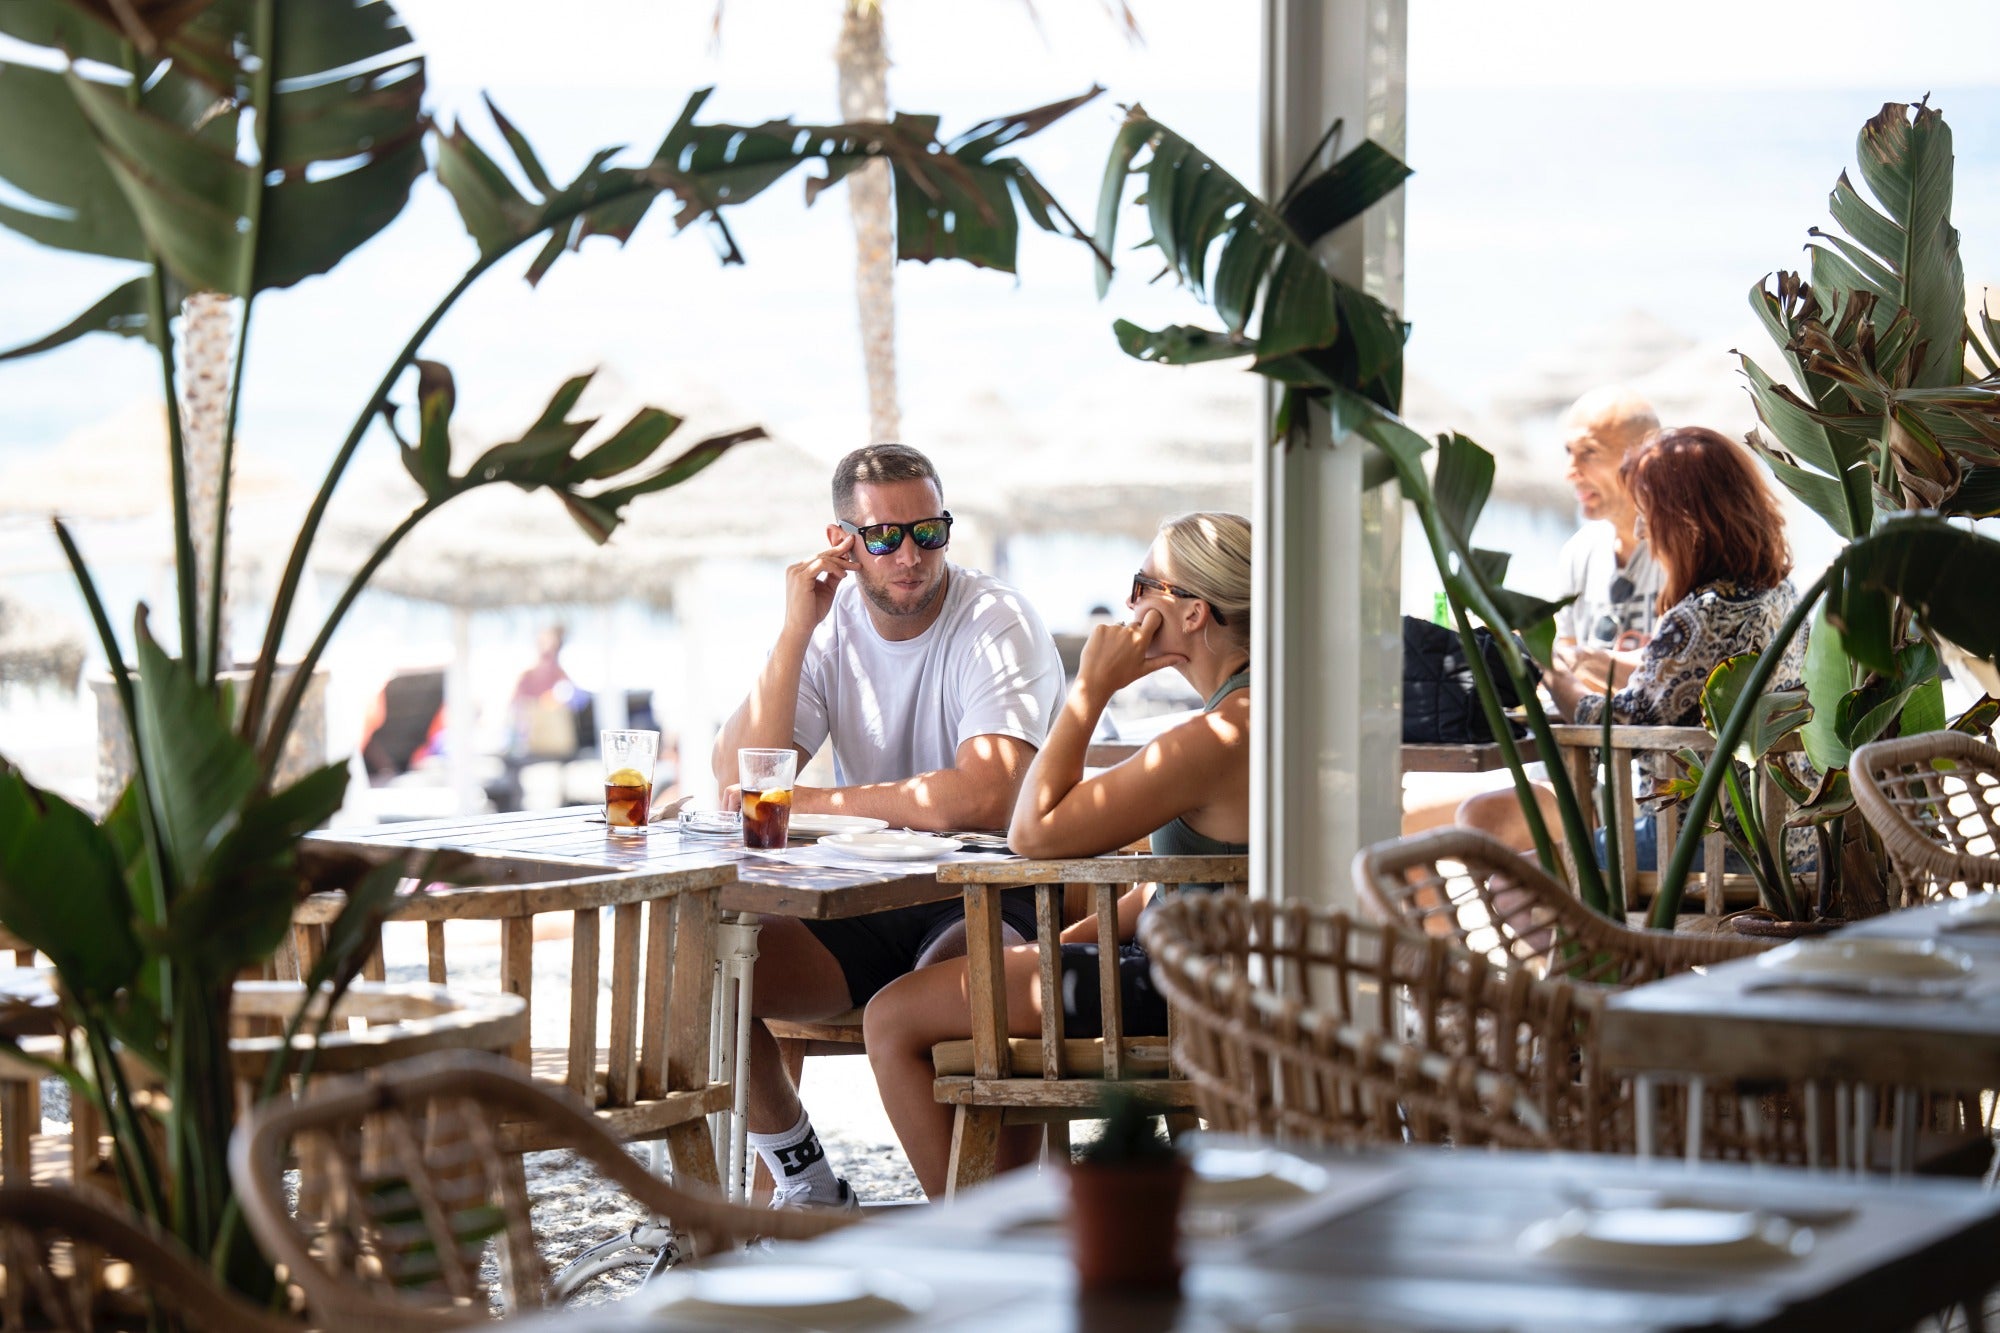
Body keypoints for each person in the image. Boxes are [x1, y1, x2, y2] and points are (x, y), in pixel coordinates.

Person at [711, 443, 1065, 1208]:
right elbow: (736, 778)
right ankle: (805, 1181)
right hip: (862, 897)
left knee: (945, 1003)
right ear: (843, 541)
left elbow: (983, 795)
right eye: (883, 537)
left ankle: (974, 1227)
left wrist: (804, 805)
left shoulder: (995, 618)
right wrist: (793, 630)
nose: (910, 554)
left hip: (986, 888)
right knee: (712, 967)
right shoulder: (827, 625)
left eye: (928, 531)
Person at [861, 512, 1251, 1199]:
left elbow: (1031, 830)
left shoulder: (1215, 735)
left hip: (1187, 995)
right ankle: (1009, 1212)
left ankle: (977, 1241)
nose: (1129, 605)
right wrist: (1062, 941)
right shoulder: (1261, 711)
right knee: (964, 975)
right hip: (1228, 972)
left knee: (891, 1017)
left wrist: (1090, 688)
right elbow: (1178, 885)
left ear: (1192, 613)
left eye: (1142, 585)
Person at [1482, 427, 1802, 866]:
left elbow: (1622, 722)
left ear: (1691, 519)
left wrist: (1546, 667)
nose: (1640, 528)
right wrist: (1594, 661)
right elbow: (1688, 682)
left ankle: (1590, 938)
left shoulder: (1700, 615)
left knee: (1516, 876)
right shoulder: (1777, 594)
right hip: (1783, 839)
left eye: (1648, 513)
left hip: (1706, 845)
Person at [1458, 387, 1663, 848]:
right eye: (1568, 454)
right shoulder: (1580, 553)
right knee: (1464, 822)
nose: (1571, 472)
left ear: (1644, 457)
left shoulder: (1682, 551)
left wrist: (1576, 665)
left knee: (1481, 827)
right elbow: (1562, 660)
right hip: (1585, 777)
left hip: (1664, 798)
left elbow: (1576, 666)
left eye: (1588, 454)